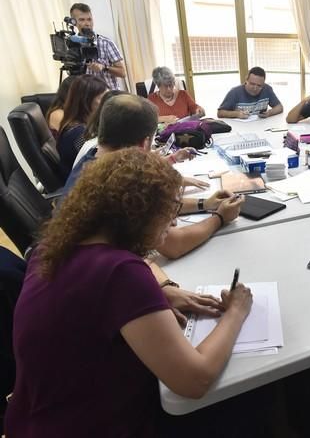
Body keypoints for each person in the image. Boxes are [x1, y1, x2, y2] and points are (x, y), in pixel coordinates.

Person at [5, 148, 255, 436]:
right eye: (168, 212)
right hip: (94, 427)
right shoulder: (121, 274)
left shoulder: (53, 246)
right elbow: (194, 381)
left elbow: (92, 305)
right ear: (138, 215)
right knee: (251, 399)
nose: (173, 222)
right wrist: (236, 312)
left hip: (34, 420)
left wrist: (163, 291)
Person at [64, 94, 245, 260]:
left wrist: (205, 204)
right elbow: (175, 244)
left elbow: (151, 207)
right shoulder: (126, 178)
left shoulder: (91, 159)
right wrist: (220, 217)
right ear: (145, 143)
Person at [55, 74, 109, 175]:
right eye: (103, 99)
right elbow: (101, 167)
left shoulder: (82, 126)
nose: (108, 103)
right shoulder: (78, 134)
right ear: (85, 102)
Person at [70, 3, 126, 90]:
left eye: (89, 19)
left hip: (109, 97)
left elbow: (122, 73)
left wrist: (104, 67)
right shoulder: (72, 45)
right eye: (82, 20)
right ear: (74, 22)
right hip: (87, 97)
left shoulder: (106, 43)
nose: (87, 23)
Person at [217, 66, 283, 119]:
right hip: (240, 128)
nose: (255, 88)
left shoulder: (267, 89)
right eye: (252, 84)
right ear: (246, 80)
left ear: (263, 84)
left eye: (259, 85)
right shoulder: (234, 92)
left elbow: (279, 107)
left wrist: (269, 113)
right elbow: (220, 113)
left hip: (261, 126)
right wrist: (237, 114)